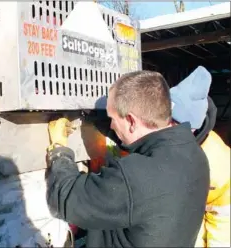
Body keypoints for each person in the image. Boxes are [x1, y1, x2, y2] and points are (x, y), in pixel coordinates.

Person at [45, 70, 210, 247]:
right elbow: (145, 140)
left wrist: (59, 149)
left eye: (112, 118)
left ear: (131, 121)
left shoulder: (134, 177)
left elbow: (65, 198)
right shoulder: (194, 154)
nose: (110, 125)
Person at [170, 66, 230, 248]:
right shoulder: (154, 134)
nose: (167, 129)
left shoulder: (219, 164)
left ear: (193, 127)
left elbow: (223, 221)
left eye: (175, 123)